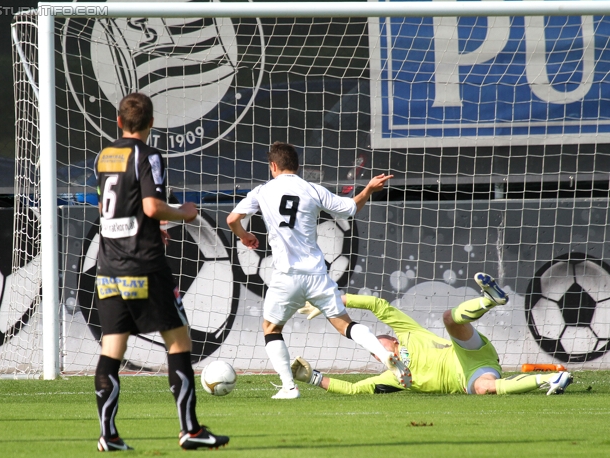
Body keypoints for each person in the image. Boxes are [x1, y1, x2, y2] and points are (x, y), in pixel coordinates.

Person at [93, 92, 229, 451]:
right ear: (152, 124)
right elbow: (152, 206)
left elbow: (116, 209)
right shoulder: (149, 154)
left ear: (119, 123)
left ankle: (109, 435)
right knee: (179, 341)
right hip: (143, 266)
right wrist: (184, 214)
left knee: (112, 349)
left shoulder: (105, 155)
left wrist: (151, 226)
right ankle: (190, 430)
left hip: (107, 267)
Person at [226, 141, 411, 400]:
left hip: (285, 275)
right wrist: (368, 189)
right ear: (297, 166)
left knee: (271, 328)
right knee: (345, 324)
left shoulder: (262, 191)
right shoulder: (312, 189)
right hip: (316, 273)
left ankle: (289, 387)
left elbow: (232, 219)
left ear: (273, 166)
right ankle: (383, 354)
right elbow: (350, 208)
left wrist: (245, 236)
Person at [292, 273, 574, 396]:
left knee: (449, 319)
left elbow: (378, 305)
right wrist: (313, 378)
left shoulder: (408, 331)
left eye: (377, 344)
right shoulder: (394, 376)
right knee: (483, 390)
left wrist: (337, 300)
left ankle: (490, 300)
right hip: (473, 376)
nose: (376, 350)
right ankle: (551, 378)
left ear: (391, 338)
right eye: (372, 352)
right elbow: (354, 388)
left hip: (469, 351)